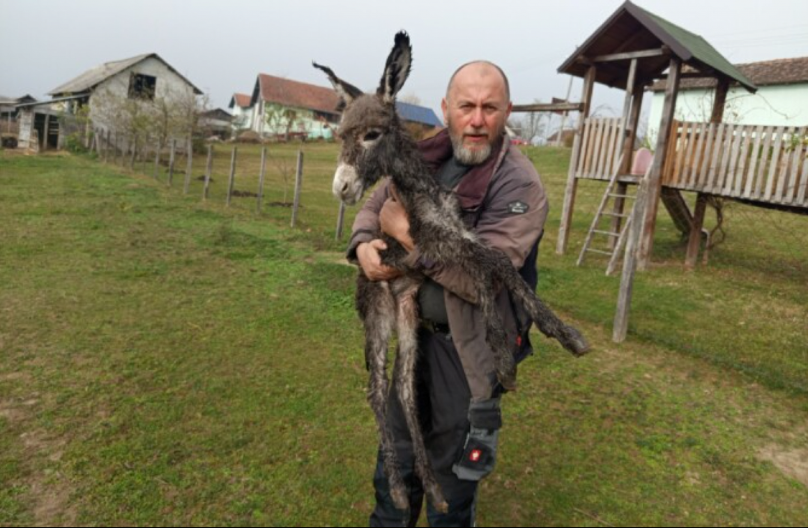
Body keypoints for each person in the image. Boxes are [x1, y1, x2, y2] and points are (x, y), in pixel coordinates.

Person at [347, 60, 549, 527]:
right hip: (415, 337)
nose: (476, 120)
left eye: (489, 108)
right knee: (396, 465)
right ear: (445, 109)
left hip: (469, 353)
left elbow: (486, 278)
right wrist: (362, 245)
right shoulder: (428, 154)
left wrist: (407, 235)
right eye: (466, 106)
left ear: (507, 112)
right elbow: (375, 204)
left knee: (452, 484)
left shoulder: (519, 183)